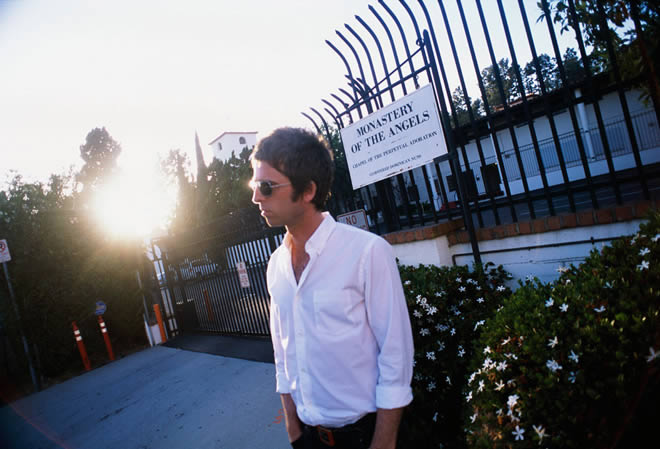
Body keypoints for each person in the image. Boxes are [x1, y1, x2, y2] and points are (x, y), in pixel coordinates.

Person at [250, 127, 414, 449]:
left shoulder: (367, 252)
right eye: (255, 185)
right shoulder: (276, 265)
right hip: (308, 437)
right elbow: (283, 352)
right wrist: (293, 429)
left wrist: (383, 441)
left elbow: (396, 354)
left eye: (266, 186)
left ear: (308, 190)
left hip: (364, 436)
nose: (256, 197)